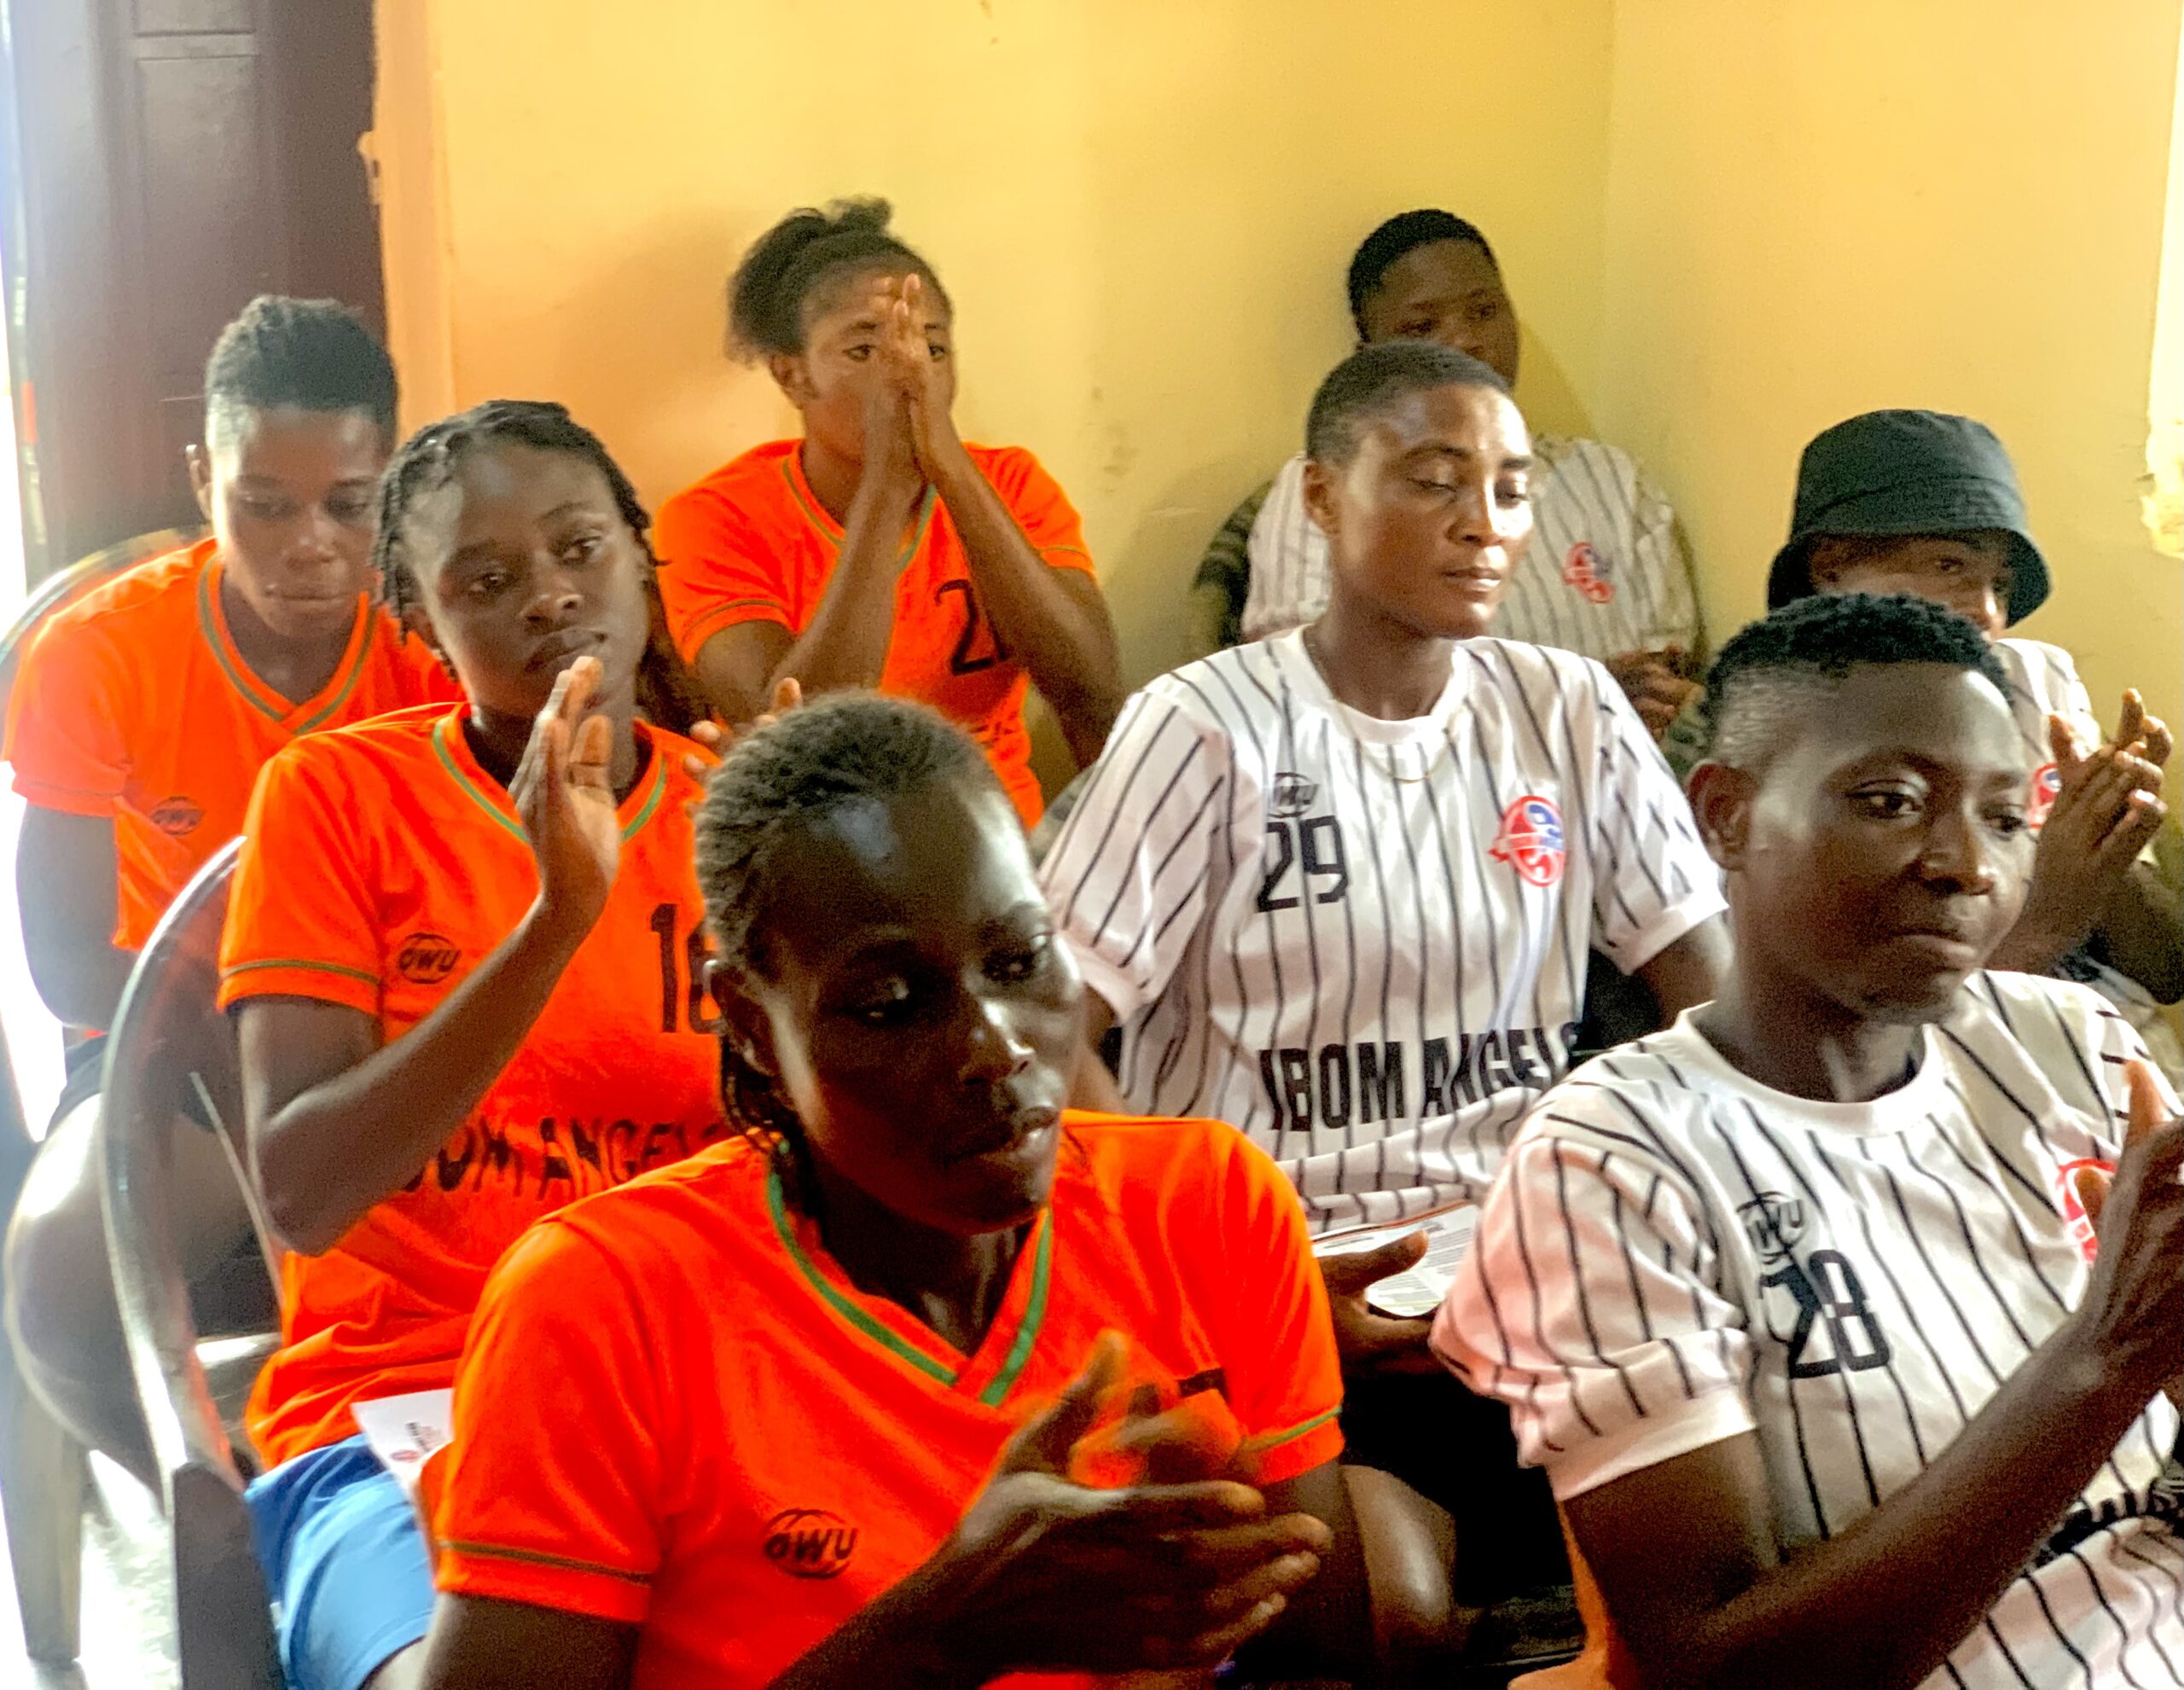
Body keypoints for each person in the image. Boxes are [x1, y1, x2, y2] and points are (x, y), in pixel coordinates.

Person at [415, 691, 1459, 1690]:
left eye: (1018, 958)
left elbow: (1321, 1664)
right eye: (890, 1003)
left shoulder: (1206, 1201)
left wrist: (1215, 1587)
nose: (992, 1047)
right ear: (746, 1021)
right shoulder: (603, 1301)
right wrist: (945, 1632)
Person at [1040, 340, 1728, 1585]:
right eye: (1433, 480)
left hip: (1536, 1284)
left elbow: (1713, 991)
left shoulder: (1566, 709)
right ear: (1320, 496)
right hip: (1290, 1291)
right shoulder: (1202, 726)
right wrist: (1229, 1276)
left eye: (1511, 489)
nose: (1485, 525)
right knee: (1395, 1605)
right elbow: (1049, 1026)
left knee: (1722, 1549)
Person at [1436, 593, 2184, 1689]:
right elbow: (1711, 1667)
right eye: (1890, 801)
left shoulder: (2067, 1045)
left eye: (2006, 818)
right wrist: (2105, 1358)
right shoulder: (1612, 1159)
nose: (1964, 864)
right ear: (1726, 814)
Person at [221, 401, 726, 1690]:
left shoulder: (739, 817)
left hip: (691, 1392)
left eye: (580, 550)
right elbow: (303, 1190)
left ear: (640, 554)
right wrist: (554, 924)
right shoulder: (334, 800)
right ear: (417, 618)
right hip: (406, 1402)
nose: (550, 600)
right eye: (486, 580)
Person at [1, 295, 451, 1478]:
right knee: (59, 1290)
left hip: (392, 1036)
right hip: (173, 1042)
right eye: (267, 504)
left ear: (389, 494)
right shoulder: (101, 656)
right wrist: (248, 1058)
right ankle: (242, 1514)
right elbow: (62, 964)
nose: (310, 543)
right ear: (204, 474)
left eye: (350, 507)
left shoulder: (431, 651)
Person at [1661, 409, 2181, 1067]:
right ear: (1831, 568)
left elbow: (2166, 969)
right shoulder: (1739, 730)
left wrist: (2112, 839)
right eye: (1949, 566)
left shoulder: (2031, 689)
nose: (1985, 609)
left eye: (2000, 583)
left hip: (2114, 1061)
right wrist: (2051, 910)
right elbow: (1792, 1027)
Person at [653, 198, 1124, 825]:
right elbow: (794, 748)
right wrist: (887, 488)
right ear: (792, 376)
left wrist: (950, 469)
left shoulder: (1010, 484)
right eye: (864, 351)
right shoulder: (713, 517)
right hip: (821, 852)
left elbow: (1093, 696)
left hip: (995, 840)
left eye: (932, 348)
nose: (909, 376)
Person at [1197, 208, 1702, 737]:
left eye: (1484, 312)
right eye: (1422, 326)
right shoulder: (1332, 492)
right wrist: (1571, 704)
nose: (1465, 341)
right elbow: (1313, 694)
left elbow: (1665, 688)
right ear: (1370, 357)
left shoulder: (1616, 484)